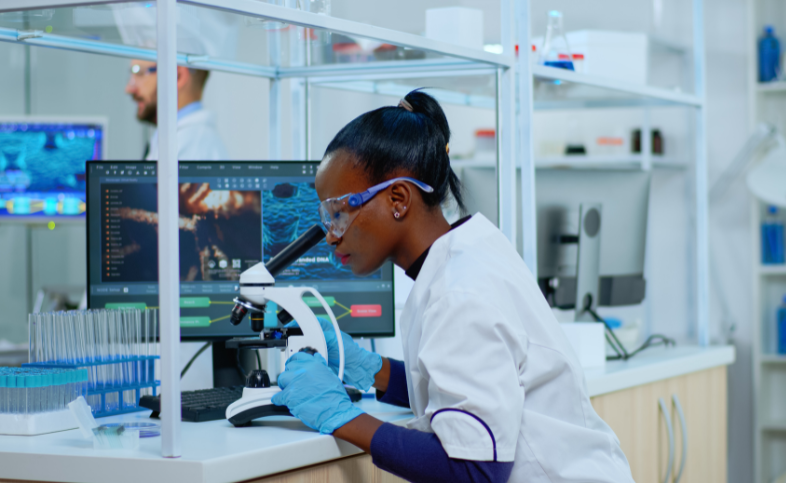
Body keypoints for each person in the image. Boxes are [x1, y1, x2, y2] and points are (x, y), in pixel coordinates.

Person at [271, 89, 635, 482]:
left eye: (338, 213)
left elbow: (475, 470)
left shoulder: (460, 293)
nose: (331, 235)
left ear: (398, 199)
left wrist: (340, 416)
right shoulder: (465, 253)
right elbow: (458, 391)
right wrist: (370, 369)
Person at [125, 59, 228, 161]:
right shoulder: (180, 138)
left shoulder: (194, 146)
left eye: (139, 73)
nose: (128, 89)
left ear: (177, 76)